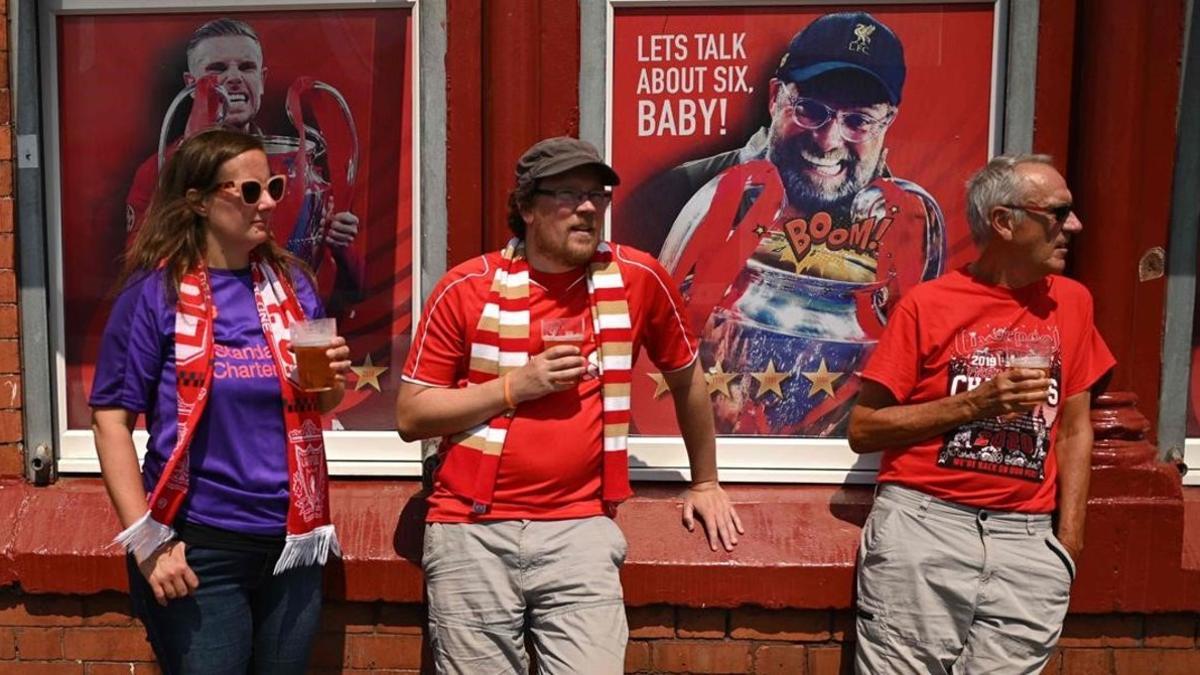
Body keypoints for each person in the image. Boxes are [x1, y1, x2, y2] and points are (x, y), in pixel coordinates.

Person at [396, 136, 744, 674]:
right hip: (471, 528)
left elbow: (687, 379)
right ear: (528, 209)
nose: (588, 207)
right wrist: (516, 386)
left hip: (580, 526)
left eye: (597, 194)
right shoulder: (466, 287)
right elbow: (411, 416)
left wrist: (705, 481)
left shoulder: (637, 277)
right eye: (568, 194)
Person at [91, 129, 351, 674]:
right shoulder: (155, 294)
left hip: (292, 540)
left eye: (275, 186)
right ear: (200, 200)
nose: (271, 203)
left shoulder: (293, 286)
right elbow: (111, 420)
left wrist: (334, 380)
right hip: (198, 543)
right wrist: (147, 543)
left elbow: (318, 401)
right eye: (251, 190)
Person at [847, 154, 1115, 673]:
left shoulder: (1073, 304)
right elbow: (864, 429)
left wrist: (1068, 542)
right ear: (1004, 222)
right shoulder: (928, 305)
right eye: (1058, 213)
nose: (1074, 227)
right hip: (925, 529)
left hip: (1028, 542)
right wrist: (977, 403)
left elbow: (1076, 430)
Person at [623, 11, 945, 437]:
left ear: (889, 122)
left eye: (858, 120)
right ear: (776, 97)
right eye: (810, 110)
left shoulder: (907, 223)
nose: (828, 141)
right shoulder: (675, 193)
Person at [125, 17, 363, 315]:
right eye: (217, 69)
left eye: (246, 67)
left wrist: (341, 246)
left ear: (262, 79)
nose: (234, 77)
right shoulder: (158, 171)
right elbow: (139, 276)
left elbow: (349, 290)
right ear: (190, 83)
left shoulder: (300, 167)